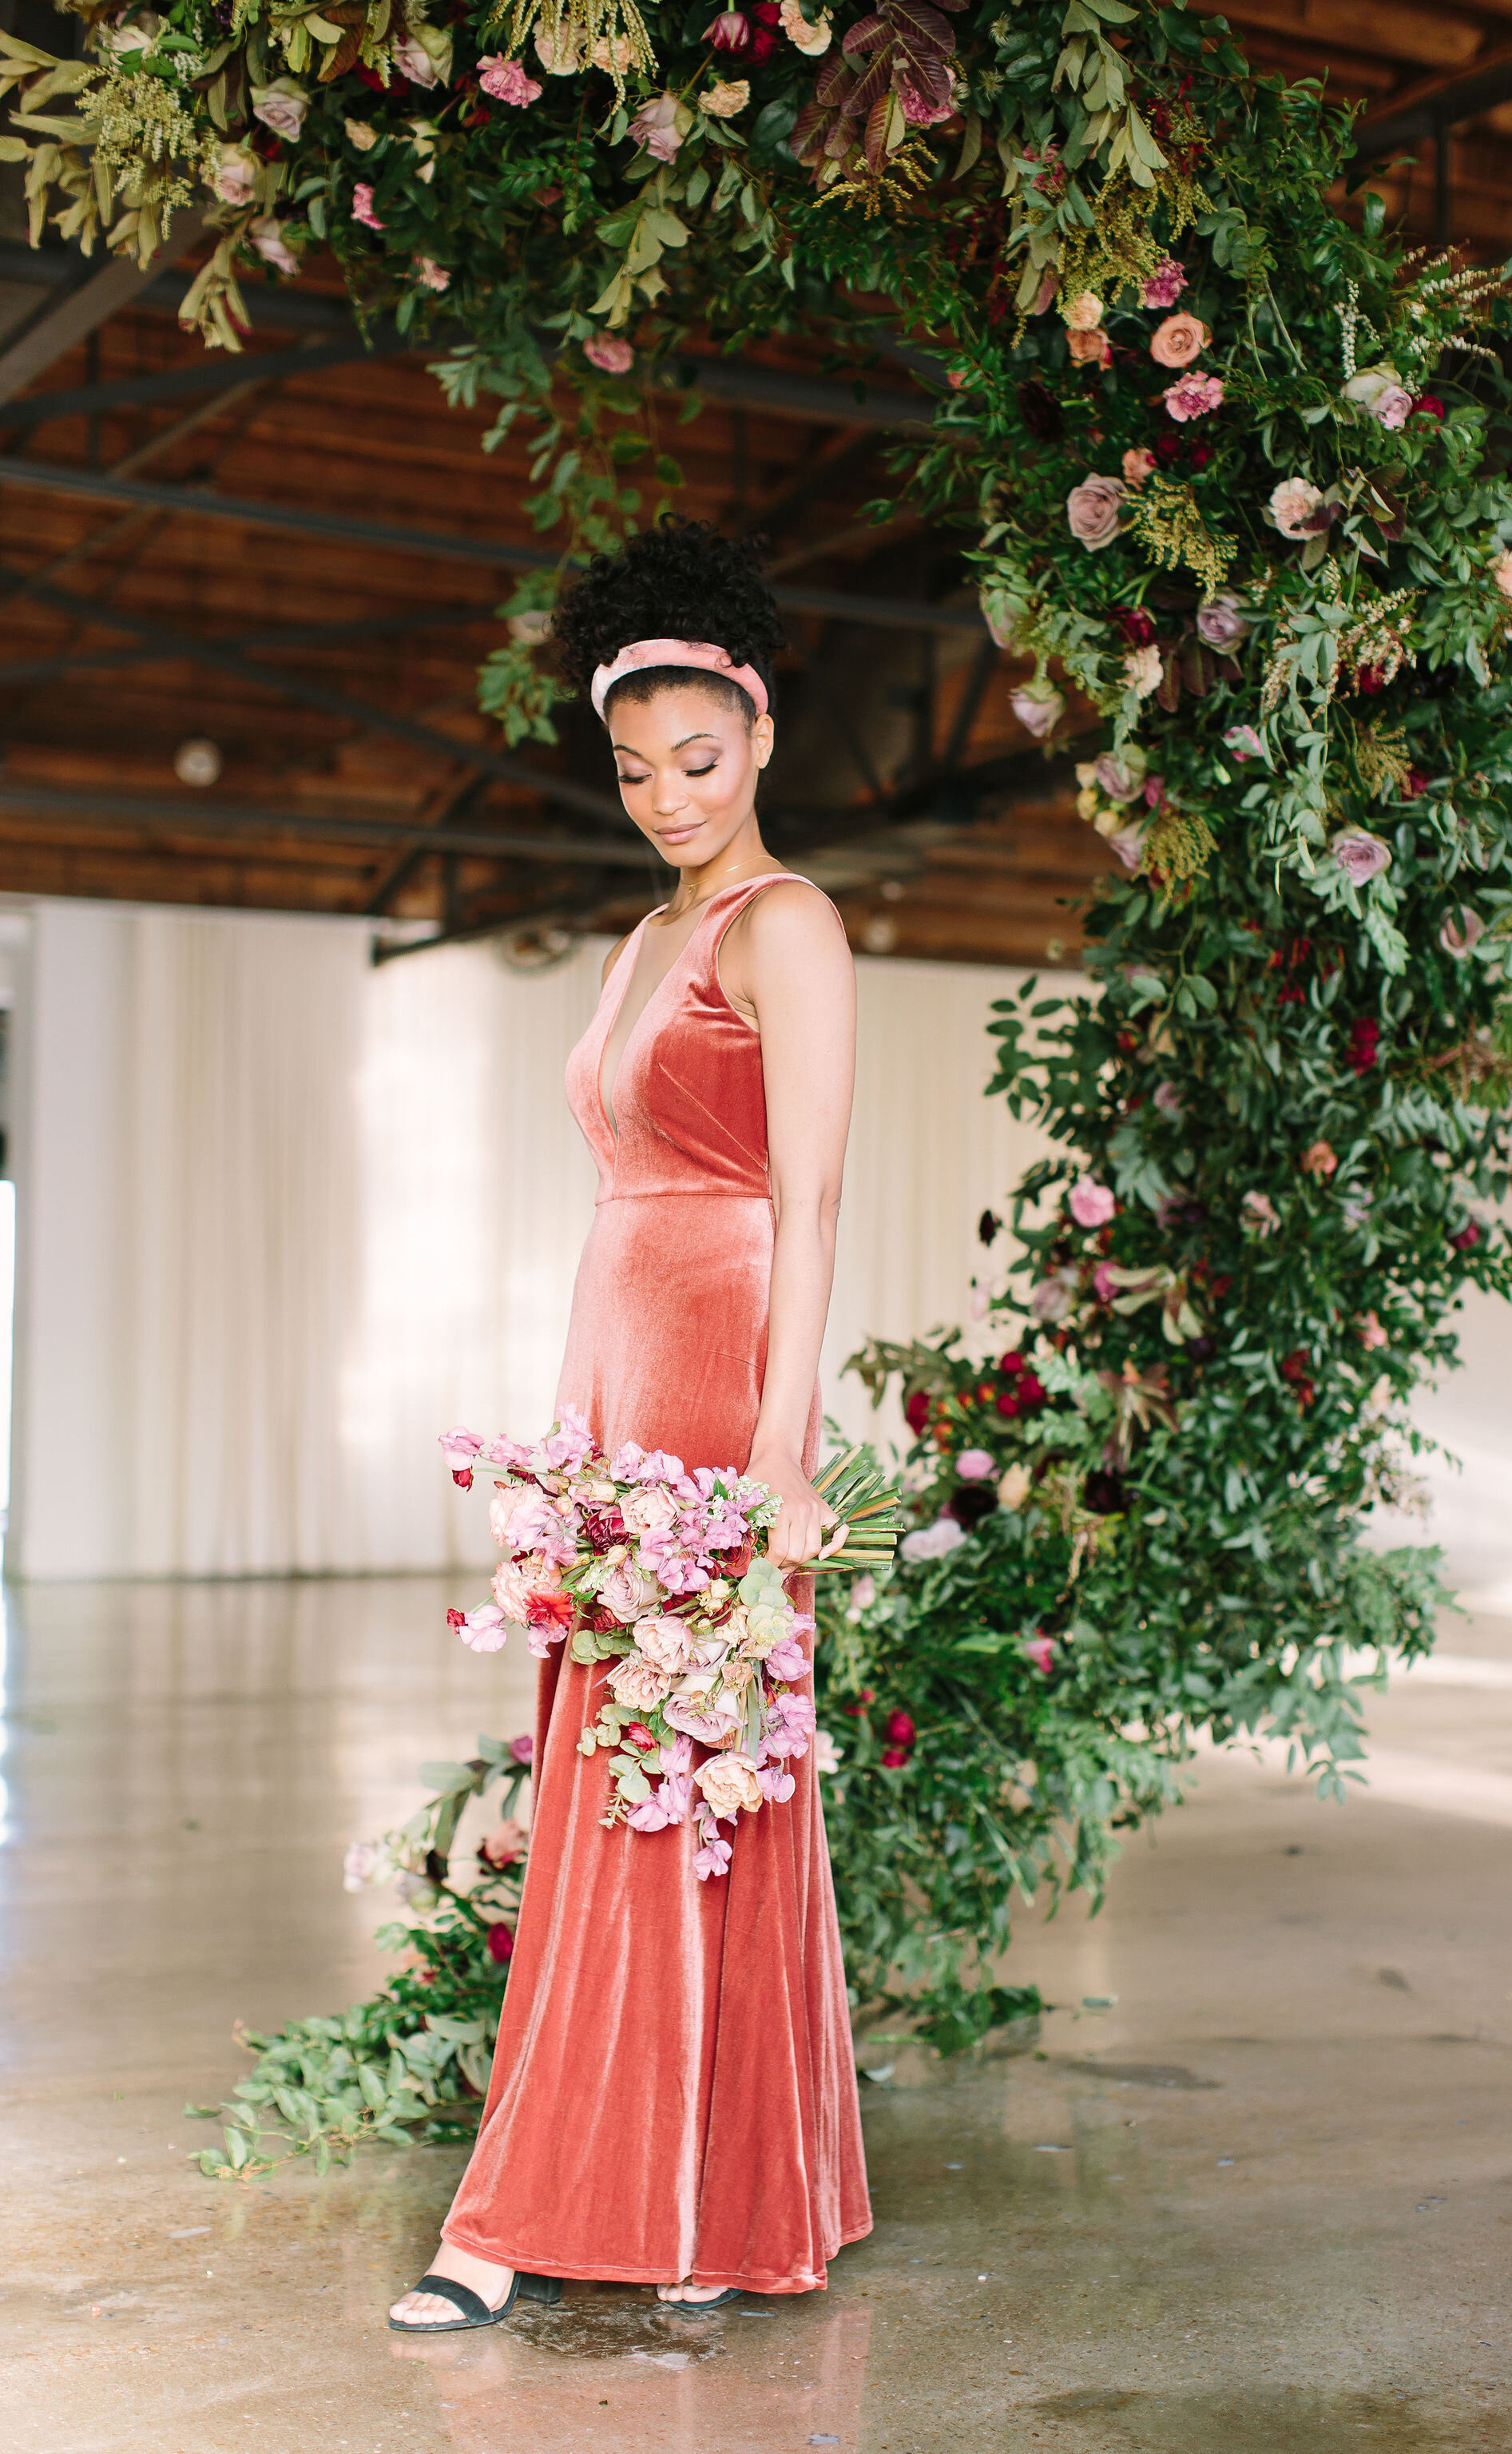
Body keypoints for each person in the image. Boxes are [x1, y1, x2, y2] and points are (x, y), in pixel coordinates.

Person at [389, 519, 870, 2329]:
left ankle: (518, 2222)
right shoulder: (647, 933)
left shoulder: (784, 923)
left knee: (673, 1780)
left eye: (700, 759)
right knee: (633, 1777)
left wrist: (780, 1451)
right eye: (635, 767)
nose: (668, 796)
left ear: (762, 739)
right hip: (613, 1388)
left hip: (714, 1391)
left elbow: (806, 1201)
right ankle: (691, 2200)